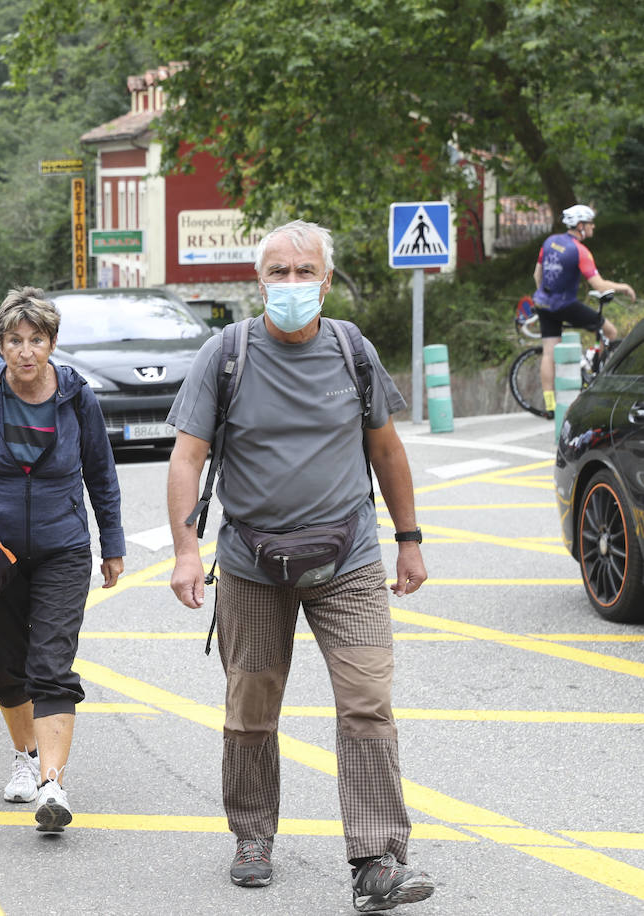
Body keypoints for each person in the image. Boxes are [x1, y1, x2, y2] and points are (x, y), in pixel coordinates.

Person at [165, 220, 435, 912]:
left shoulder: (352, 350)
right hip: (252, 564)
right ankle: (252, 835)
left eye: (304, 271)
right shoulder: (227, 353)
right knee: (251, 709)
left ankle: (376, 859)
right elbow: (188, 457)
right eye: (278, 273)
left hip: (347, 558)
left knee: (369, 705)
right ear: (260, 282)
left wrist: (409, 538)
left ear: (326, 279)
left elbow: (387, 450)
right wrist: (187, 550)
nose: (291, 284)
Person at [0, 286, 124, 833]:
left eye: (37, 340)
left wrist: (112, 543)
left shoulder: (76, 397)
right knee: (5, 665)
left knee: (51, 664)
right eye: (15, 340)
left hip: (63, 548)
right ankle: (23, 758)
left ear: (51, 344)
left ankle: (52, 782)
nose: (25, 351)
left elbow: (101, 473)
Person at [532, 204, 636, 417]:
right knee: (610, 331)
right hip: (565, 304)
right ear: (580, 226)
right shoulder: (580, 251)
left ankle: (550, 405)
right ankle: (591, 368)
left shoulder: (550, 242)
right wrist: (623, 287)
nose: (593, 227)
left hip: (543, 303)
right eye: (590, 223)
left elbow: (537, 275)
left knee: (549, 352)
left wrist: (545, 297)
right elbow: (598, 285)